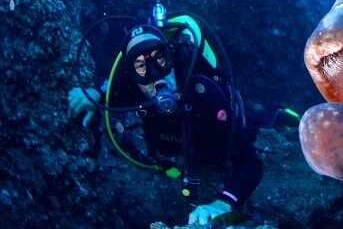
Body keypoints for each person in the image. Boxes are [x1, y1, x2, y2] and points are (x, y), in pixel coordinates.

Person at [68, 12, 262, 225]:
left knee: (254, 124)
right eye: (141, 66)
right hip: (177, 147)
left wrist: (222, 204)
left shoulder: (203, 92)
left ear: (171, 55)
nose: (155, 74)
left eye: (160, 58)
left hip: (215, 140)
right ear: (131, 74)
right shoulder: (128, 88)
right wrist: (94, 95)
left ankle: (275, 115)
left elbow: (250, 164)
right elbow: (108, 91)